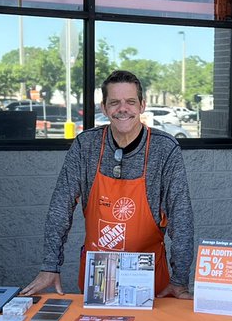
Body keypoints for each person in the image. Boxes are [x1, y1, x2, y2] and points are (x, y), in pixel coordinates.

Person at [21, 70, 193, 299]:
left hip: (150, 281)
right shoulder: (86, 145)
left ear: (142, 105)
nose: (123, 109)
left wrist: (180, 279)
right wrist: (50, 266)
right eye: (114, 102)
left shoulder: (164, 149)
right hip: (99, 280)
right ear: (104, 108)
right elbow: (60, 207)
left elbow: (181, 216)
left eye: (130, 102)